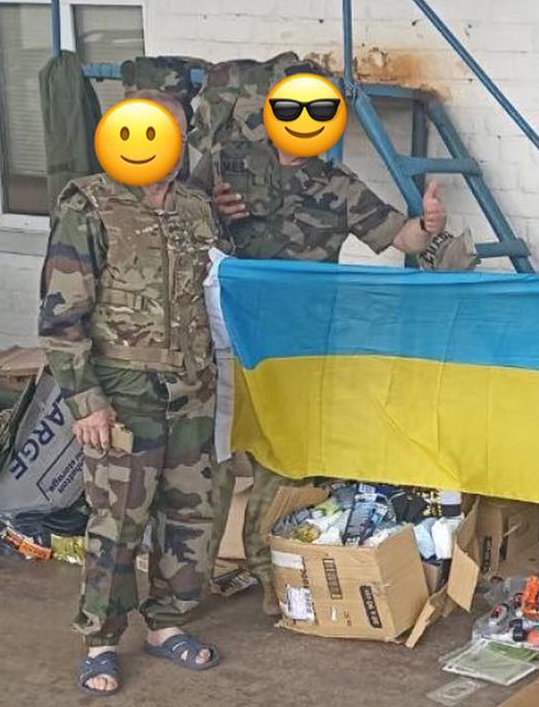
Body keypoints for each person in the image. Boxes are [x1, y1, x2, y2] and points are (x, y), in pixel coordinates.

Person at [200, 109, 476, 611]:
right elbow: (173, 211)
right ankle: (191, 583)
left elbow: (400, 236)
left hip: (295, 349)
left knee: (282, 462)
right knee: (213, 460)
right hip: (226, 338)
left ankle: (272, 578)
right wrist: (210, 207)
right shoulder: (227, 162)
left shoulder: (336, 183)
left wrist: (427, 225)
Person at [40, 92, 222, 694]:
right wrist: (84, 399)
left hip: (192, 388)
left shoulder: (195, 207)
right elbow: (62, 316)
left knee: (189, 511)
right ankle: (101, 640)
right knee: (118, 519)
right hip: (123, 390)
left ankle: (167, 625)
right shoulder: (90, 205)